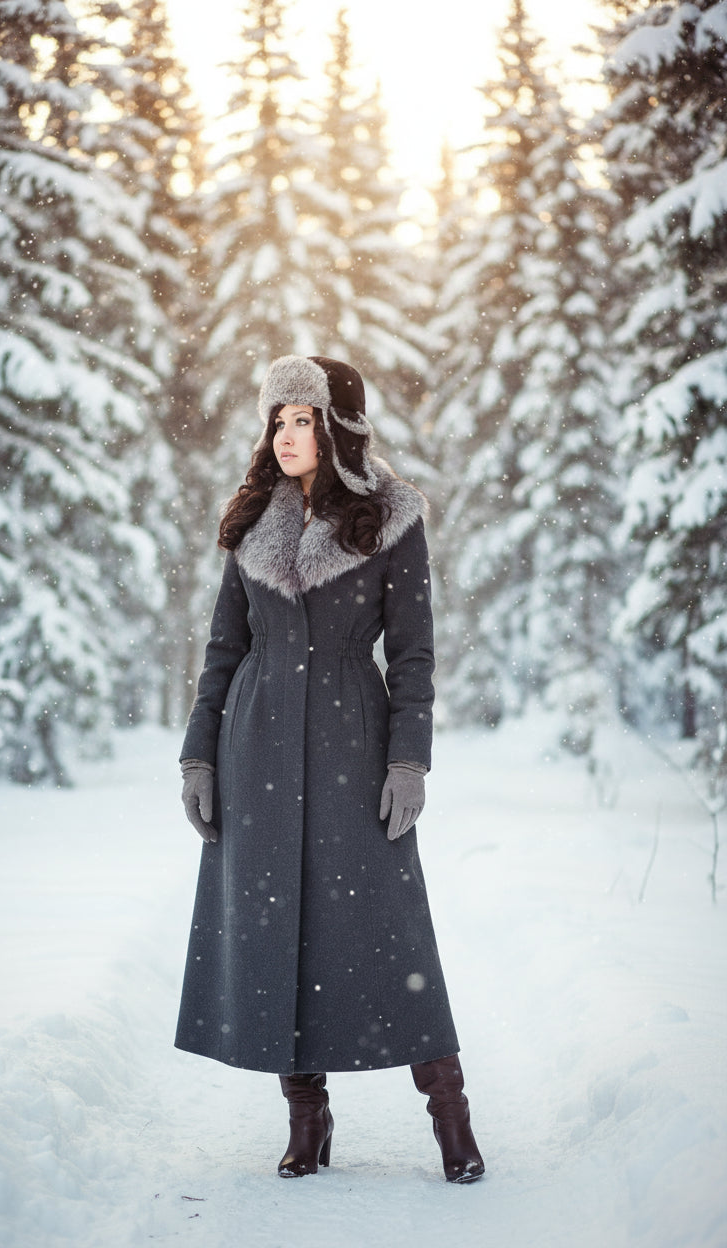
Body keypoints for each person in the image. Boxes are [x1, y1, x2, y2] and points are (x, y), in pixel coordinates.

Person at [176, 355, 485, 1183]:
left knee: (392, 928)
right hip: (258, 739)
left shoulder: (391, 519)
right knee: (278, 932)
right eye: (277, 419)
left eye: (302, 419)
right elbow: (222, 649)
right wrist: (200, 755)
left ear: (336, 426)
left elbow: (414, 654)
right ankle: (306, 1120)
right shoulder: (251, 524)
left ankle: (451, 1118)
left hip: (355, 742)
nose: (285, 435)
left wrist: (409, 760)